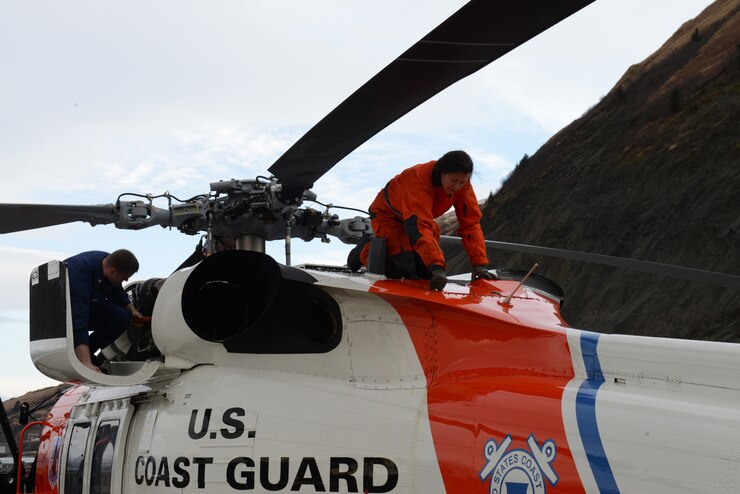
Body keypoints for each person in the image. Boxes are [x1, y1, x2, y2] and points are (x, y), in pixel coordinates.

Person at [352, 150, 494, 290]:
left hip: (419, 218)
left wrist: (479, 265)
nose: (457, 187)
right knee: (397, 271)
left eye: (462, 182)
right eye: (454, 181)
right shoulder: (418, 180)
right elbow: (419, 225)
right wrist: (437, 267)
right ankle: (364, 250)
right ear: (441, 172)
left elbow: (471, 224)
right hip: (389, 217)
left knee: (425, 273)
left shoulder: (463, 186)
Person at [65, 249, 146, 372]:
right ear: (113, 271)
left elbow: (117, 292)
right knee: (79, 319)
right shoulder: (80, 274)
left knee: (122, 317)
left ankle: (89, 350)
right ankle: (81, 356)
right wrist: (85, 363)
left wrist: (133, 311)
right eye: (124, 278)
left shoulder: (109, 263)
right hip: (67, 315)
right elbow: (77, 318)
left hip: (93, 304)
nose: (126, 281)